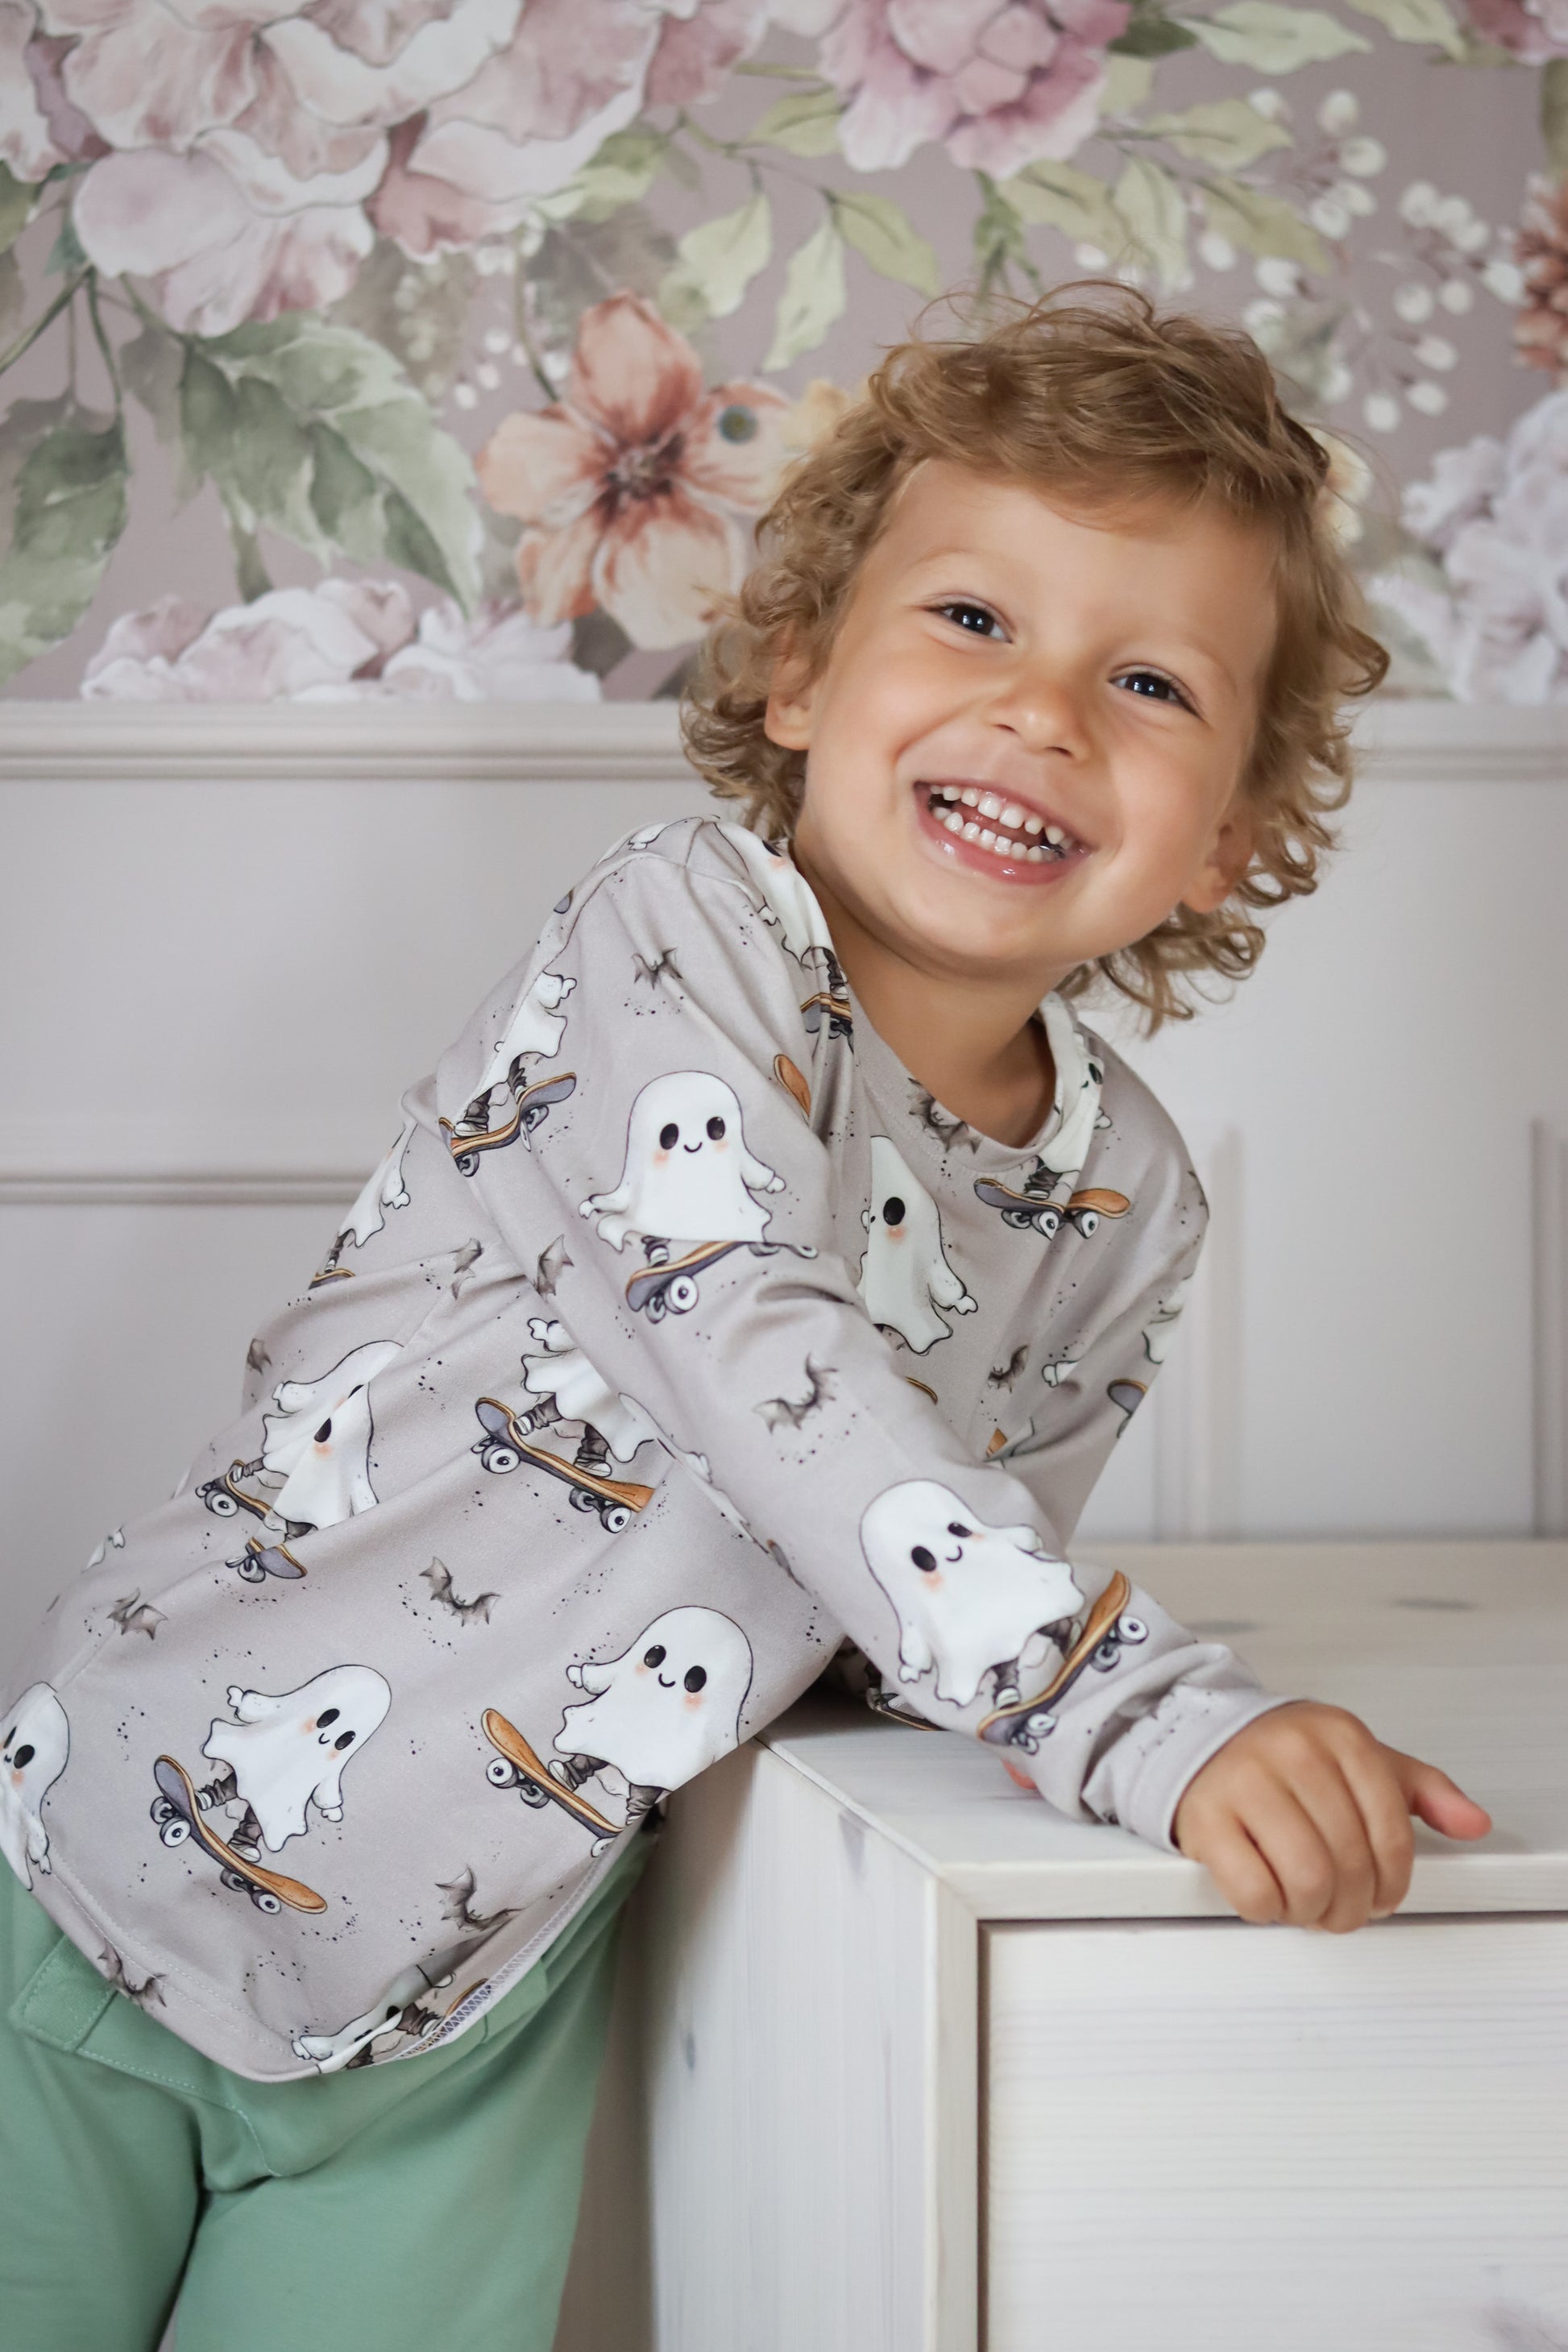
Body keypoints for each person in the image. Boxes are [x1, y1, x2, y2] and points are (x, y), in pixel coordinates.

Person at [0, 284, 1491, 2350]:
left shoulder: (1124, 1198)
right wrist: (1144, 1712)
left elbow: (910, 1590)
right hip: (100, 1873)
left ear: (1224, 834)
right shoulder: (677, 938)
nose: (1044, 711)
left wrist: (1124, 1731)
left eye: (1148, 680)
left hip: (471, 1995)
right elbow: (754, 1339)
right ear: (797, 669)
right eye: (971, 618)